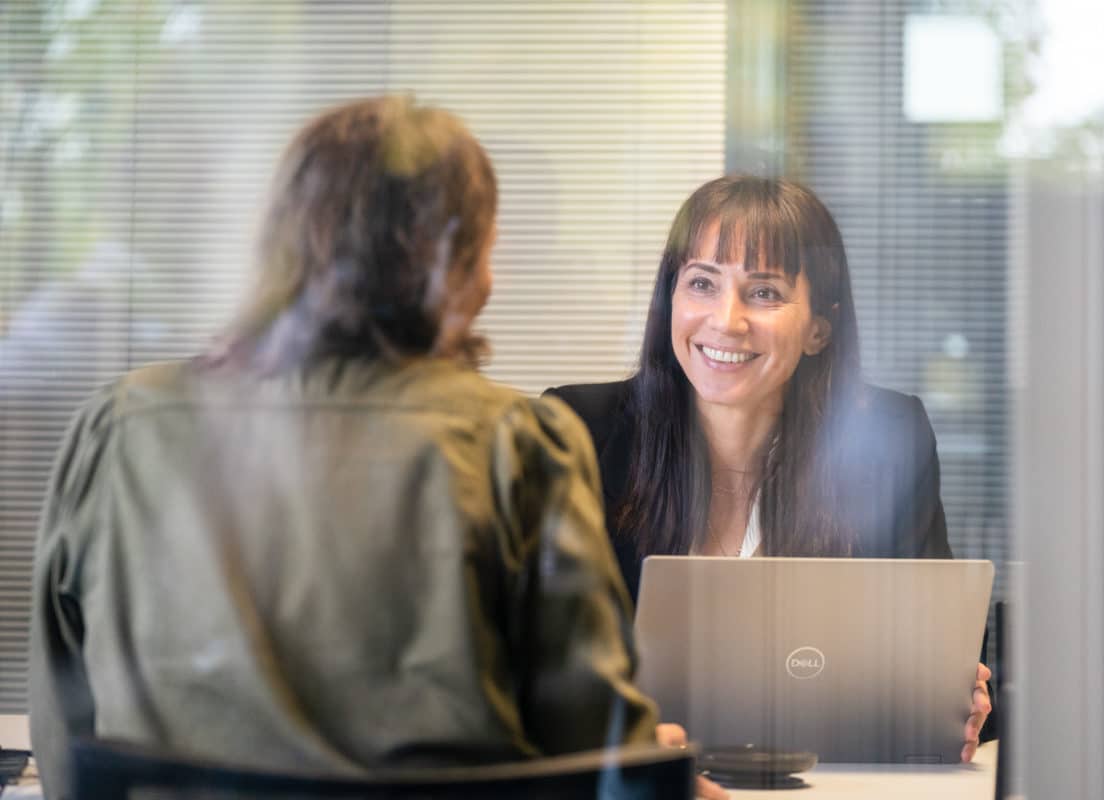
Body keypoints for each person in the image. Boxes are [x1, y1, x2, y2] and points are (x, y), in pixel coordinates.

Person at [30, 96, 701, 799]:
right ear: (461, 262)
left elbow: (66, 749)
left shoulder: (121, 430)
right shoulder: (517, 446)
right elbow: (599, 765)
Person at [547, 175, 992, 762]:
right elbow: (530, 664)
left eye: (764, 293)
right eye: (701, 283)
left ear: (819, 328)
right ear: (670, 300)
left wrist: (965, 701)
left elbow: (943, 662)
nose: (725, 321)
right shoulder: (577, 430)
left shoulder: (888, 438)